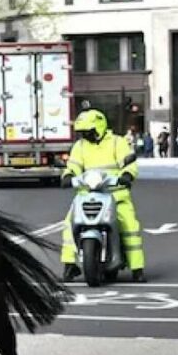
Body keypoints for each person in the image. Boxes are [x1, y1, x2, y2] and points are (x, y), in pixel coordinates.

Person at [60, 109, 146, 282]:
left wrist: (127, 175)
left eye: (88, 131)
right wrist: (68, 176)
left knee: (129, 226)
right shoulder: (80, 146)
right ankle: (70, 265)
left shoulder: (117, 142)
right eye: (82, 132)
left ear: (99, 127)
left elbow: (129, 163)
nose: (85, 135)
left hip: (116, 195)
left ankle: (137, 268)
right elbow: (73, 165)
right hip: (87, 194)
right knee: (69, 224)